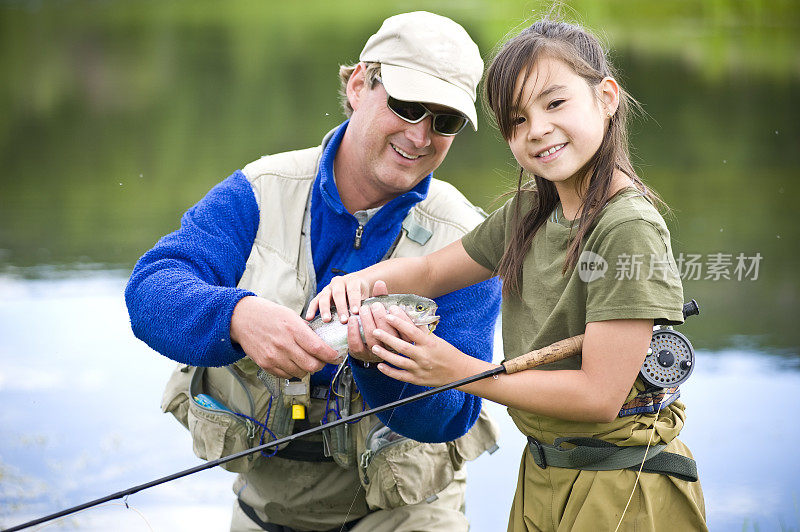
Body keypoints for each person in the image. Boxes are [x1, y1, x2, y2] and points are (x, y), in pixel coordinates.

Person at [308, 17, 707, 532]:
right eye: (517, 120)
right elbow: (429, 271)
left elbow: (598, 396)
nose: (537, 129)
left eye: (555, 103)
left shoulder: (626, 227)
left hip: (624, 484)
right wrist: (362, 282)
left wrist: (456, 372)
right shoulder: (528, 213)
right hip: (544, 470)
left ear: (606, 97)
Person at [125, 11, 502, 532]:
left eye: (445, 121)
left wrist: (382, 363)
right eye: (407, 106)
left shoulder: (471, 242)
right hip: (267, 504)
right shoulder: (259, 191)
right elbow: (149, 291)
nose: (420, 136)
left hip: (407, 512)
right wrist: (238, 317)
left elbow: (451, 416)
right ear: (357, 84)